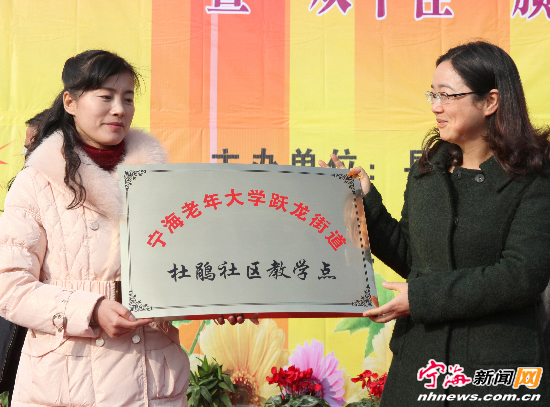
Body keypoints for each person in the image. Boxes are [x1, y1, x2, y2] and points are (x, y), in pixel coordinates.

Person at [0, 49, 248, 407]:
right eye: (106, 97)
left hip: (153, 384)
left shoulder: (161, 182)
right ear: (70, 102)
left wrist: (218, 298)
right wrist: (91, 309)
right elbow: (10, 288)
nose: (119, 109)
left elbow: (180, 273)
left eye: (128, 99)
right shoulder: (36, 182)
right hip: (66, 386)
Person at [322, 41, 550, 405]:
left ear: (490, 101)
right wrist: (365, 203)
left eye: (446, 95)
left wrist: (420, 298)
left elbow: (521, 276)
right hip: (419, 366)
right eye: (432, 94)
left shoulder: (534, 177)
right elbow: (415, 259)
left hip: (494, 371)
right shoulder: (430, 170)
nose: (435, 106)